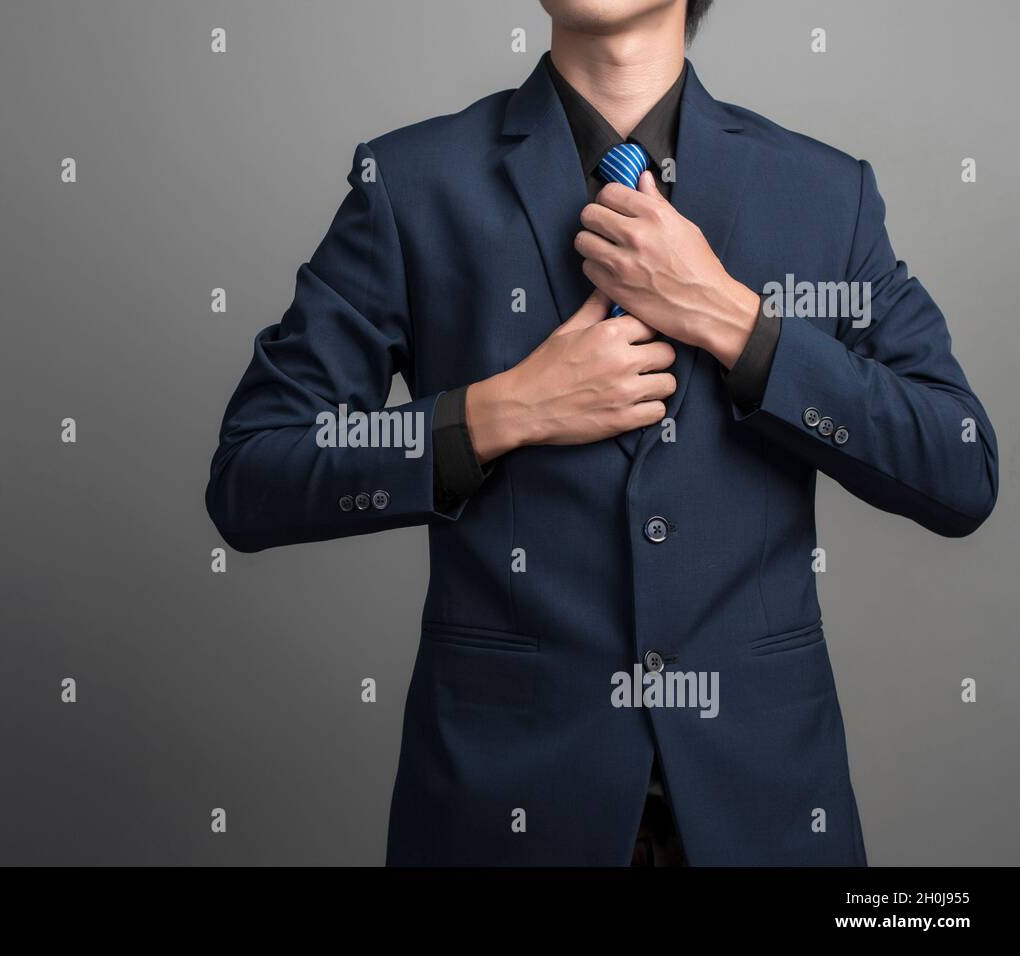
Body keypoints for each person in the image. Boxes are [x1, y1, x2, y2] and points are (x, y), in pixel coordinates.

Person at [206, 0, 998, 865]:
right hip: (500, 817)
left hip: (767, 817)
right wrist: (502, 411)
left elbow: (960, 467)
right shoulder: (412, 182)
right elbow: (254, 473)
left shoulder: (824, 192)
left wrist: (740, 325)